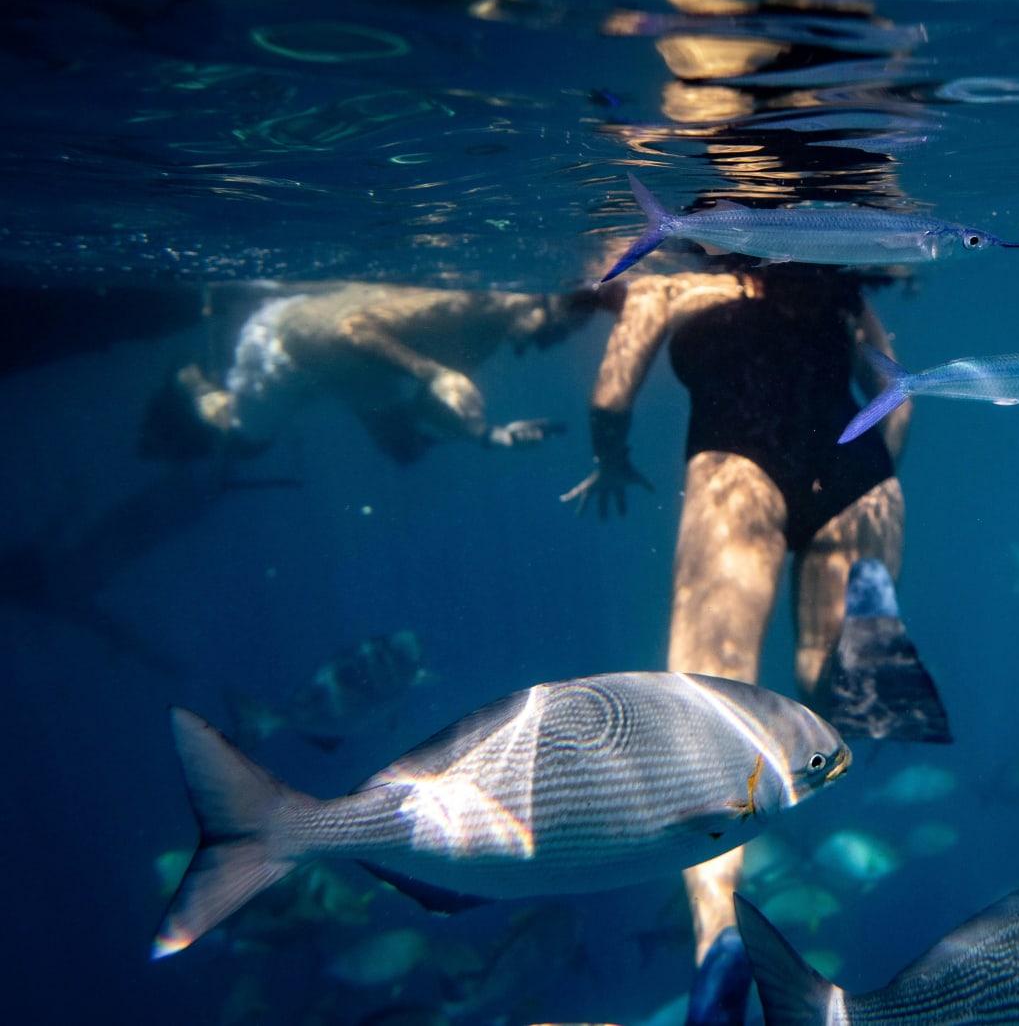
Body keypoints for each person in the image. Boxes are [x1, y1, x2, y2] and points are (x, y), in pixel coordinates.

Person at [564, 260, 911, 1023]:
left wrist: (610, 460)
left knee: (710, 721)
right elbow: (900, 393)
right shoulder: (836, 279)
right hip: (859, 476)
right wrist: (877, 478)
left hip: (737, 472)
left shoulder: (663, 282)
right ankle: (867, 625)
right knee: (828, 691)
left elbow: (609, 393)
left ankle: (721, 941)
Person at [141, 283, 600, 465]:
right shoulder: (465, 302)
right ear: (535, 300)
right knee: (245, 441)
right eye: (552, 332)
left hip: (360, 373)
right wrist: (433, 373)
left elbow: (426, 403)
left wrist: (488, 434)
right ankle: (192, 380)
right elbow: (351, 327)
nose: (547, 346)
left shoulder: (487, 336)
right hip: (294, 346)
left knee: (405, 453)